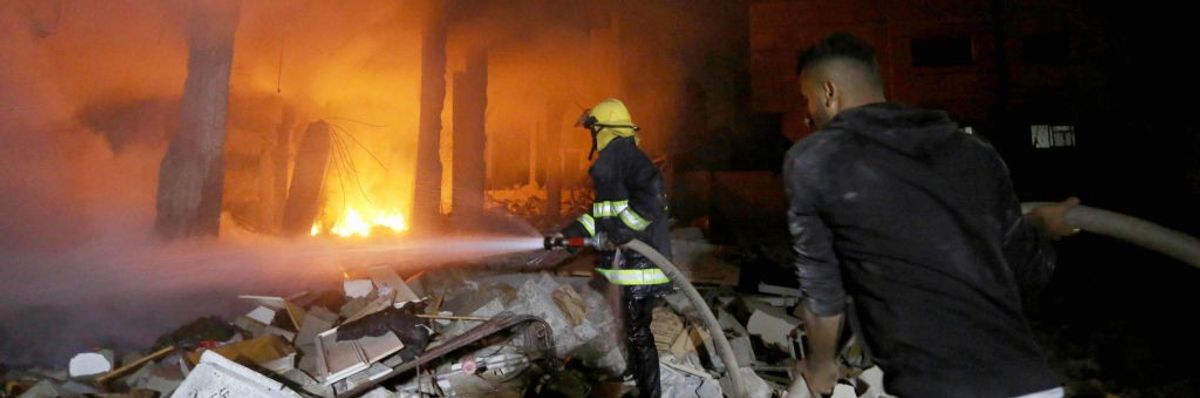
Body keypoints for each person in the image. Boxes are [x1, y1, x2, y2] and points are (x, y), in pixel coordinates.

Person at [784, 32, 1079, 397]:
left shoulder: (816, 160)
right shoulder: (973, 151)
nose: (807, 116)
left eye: (808, 100)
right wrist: (1040, 228)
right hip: (1031, 385)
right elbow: (1022, 272)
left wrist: (820, 368)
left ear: (829, 92)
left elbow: (822, 290)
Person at [557, 98, 672, 397]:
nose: (592, 138)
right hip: (628, 266)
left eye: (593, 131)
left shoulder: (628, 159)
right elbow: (600, 215)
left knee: (639, 333)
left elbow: (652, 198)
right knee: (630, 329)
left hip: (641, 268)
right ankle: (635, 375)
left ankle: (651, 393)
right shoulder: (614, 163)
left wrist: (621, 230)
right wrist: (568, 236)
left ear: (604, 129)